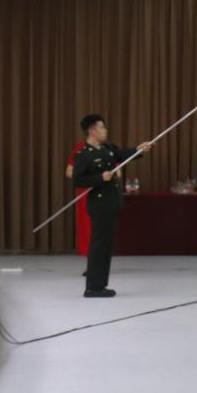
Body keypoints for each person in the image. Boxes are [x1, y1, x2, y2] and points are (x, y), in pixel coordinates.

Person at [70, 114, 153, 298]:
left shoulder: (107, 148)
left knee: (106, 246)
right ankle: (92, 287)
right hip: (99, 204)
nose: (105, 130)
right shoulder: (84, 154)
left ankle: (100, 285)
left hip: (111, 202)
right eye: (102, 127)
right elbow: (78, 180)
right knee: (99, 245)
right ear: (92, 130)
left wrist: (138, 150)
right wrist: (100, 178)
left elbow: (121, 155)